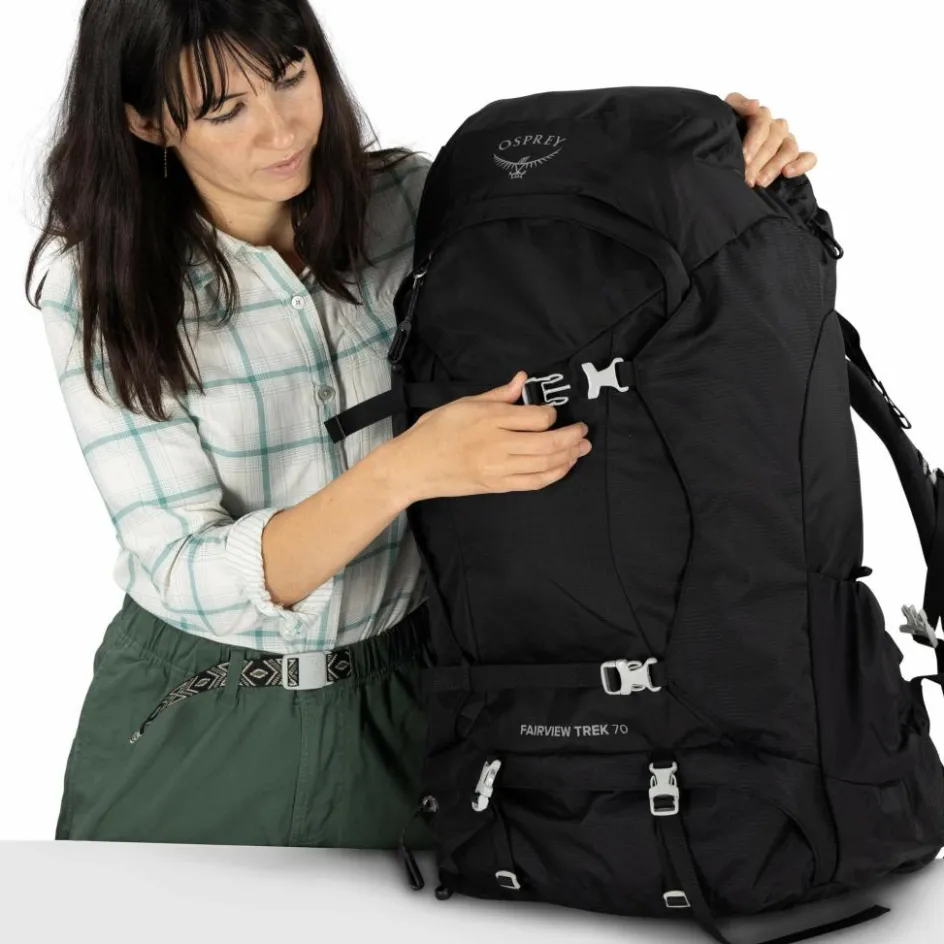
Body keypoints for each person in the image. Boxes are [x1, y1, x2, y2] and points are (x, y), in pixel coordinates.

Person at [25, 0, 815, 848]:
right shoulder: (98, 283)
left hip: (413, 698)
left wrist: (711, 149)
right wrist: (406, 469)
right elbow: (182, 566)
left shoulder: (408, 201)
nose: (281, 129)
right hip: (195, 716)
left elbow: (590, 230)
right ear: (146, 121)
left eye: (291, 77)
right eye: (226, 111)